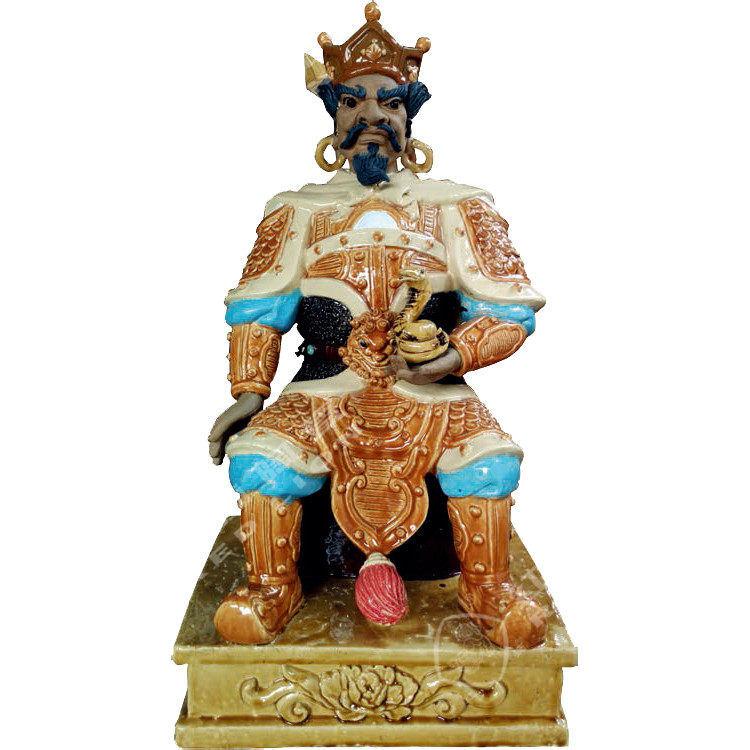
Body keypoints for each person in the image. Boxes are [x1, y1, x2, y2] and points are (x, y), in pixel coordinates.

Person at [208, 2, 547, 648]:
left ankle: (486, 587)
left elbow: (507, 310)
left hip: (431, 388)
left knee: (488, 463)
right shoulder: (297, 211)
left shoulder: (458, 206)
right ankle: (272, 588)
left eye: (389, 103)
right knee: (261, 461)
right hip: (325, 387)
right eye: (353, 103)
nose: (372, 117)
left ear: (409, 117)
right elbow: (260, 308)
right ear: (332, 116)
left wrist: (450, 358)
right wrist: (248, 394)